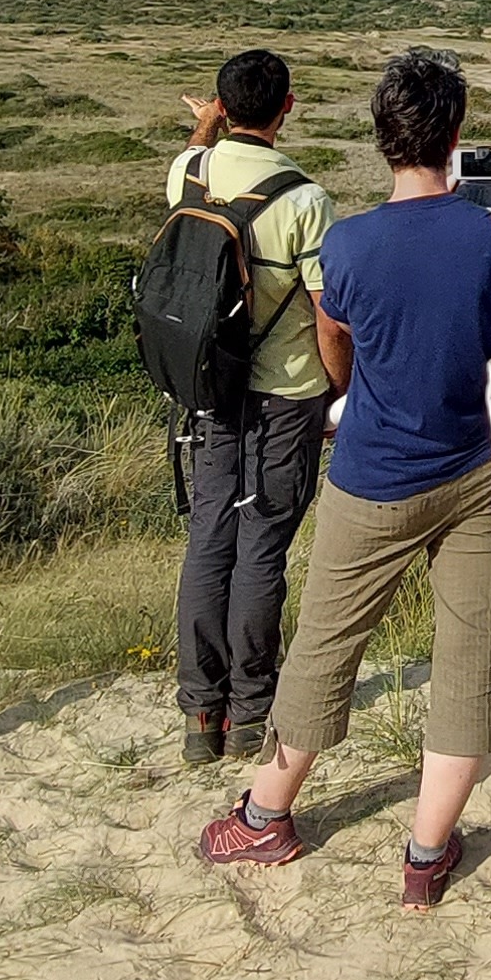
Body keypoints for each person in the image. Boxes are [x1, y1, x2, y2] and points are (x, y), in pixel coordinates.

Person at [201, 49, 491, 913]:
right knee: (469, 662)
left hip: (374, 473)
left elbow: (337, 335)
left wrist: (350, 391)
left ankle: (266, 814)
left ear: (384, 139)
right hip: (479, 470)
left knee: (324, 646)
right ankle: (427, 853)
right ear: (457, 137)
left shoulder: (348, 242)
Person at [164, 48, 339, 767]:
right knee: (263, 542)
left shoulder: (187, 173)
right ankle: (250, 712)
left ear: (221, 105)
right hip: (286, 391)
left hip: (209, 387)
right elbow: (331, 317)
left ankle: (201, 713)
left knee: (209, 538)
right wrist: (341, 391)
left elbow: (196, 154)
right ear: (288, 106)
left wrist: (204, 128)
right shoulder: (305, 199)